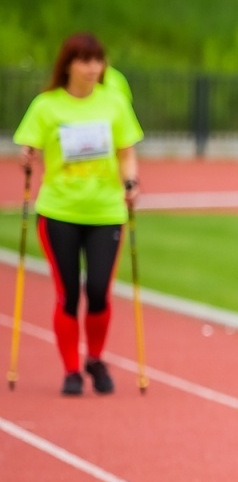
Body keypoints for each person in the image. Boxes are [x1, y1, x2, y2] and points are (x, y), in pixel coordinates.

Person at [13, 33, 144, 396]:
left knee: (99, 290)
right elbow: (29, 147)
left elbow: (126, 152)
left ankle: (95, 358)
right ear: (68, 64)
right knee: (68, 293)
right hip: (59, 210)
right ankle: (71, 369)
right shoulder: (46, 105)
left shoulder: (114, 103)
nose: (92, 68)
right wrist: (27, 158)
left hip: (105, 211)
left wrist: (131, 182)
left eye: (98, 60)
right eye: (85, 61)